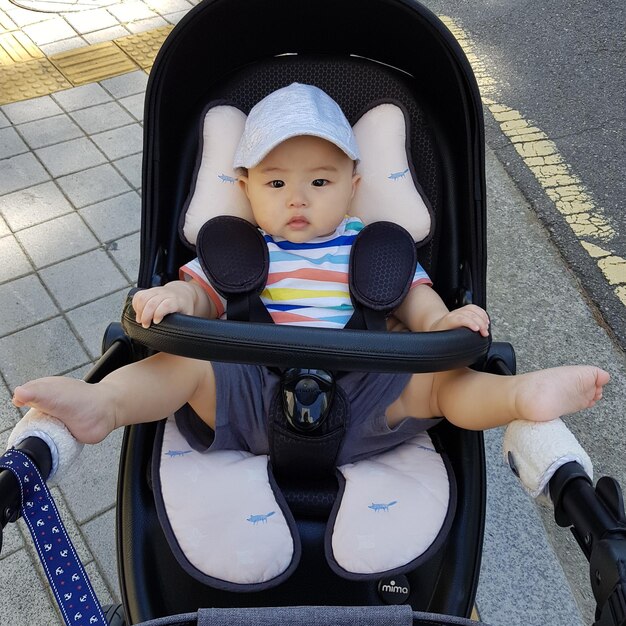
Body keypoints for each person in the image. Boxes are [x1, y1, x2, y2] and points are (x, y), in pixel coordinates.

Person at [12, 84, 609, 463]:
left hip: (369, 388)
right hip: (250, 392)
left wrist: (445, 323)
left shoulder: (368, 246)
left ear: (353, 186)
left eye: (320, 181)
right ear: (244, 188)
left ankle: (515, 397)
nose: (297, 198)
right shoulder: (242, 250)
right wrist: (170, 296)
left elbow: (412, 302)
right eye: (275, 182)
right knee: (181, 363)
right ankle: (105, 405)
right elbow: (200, 297)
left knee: (441, 380)